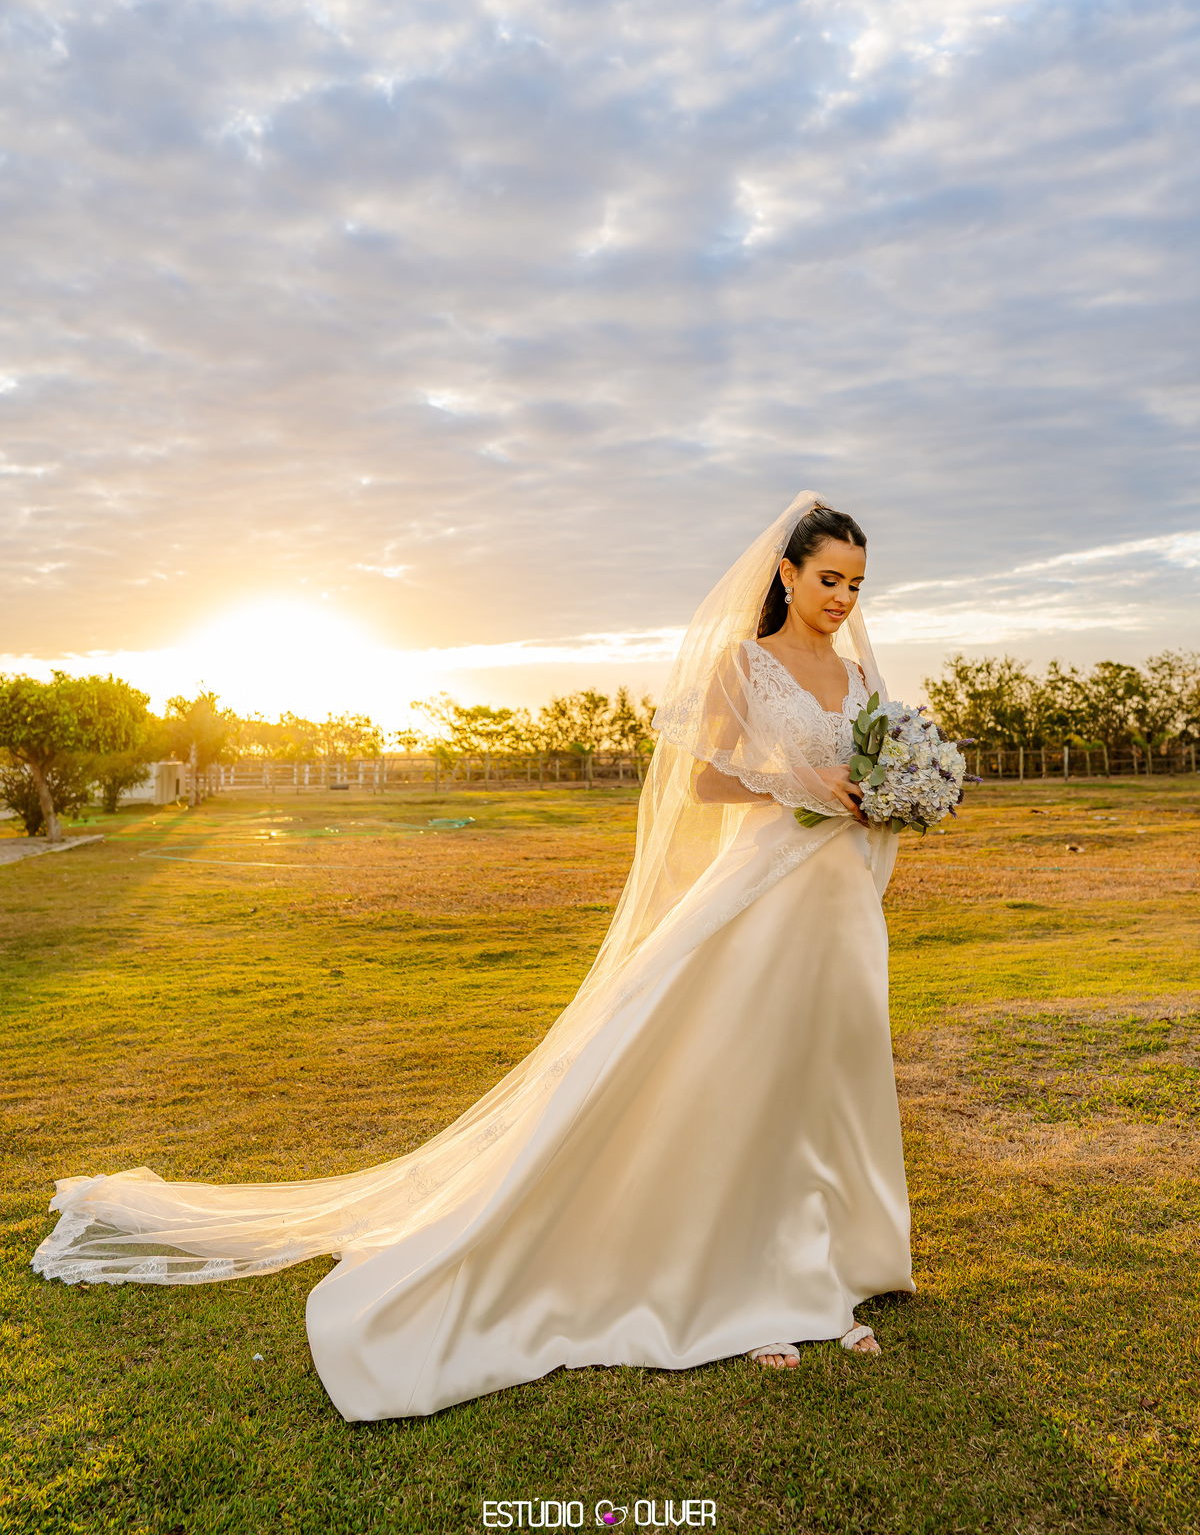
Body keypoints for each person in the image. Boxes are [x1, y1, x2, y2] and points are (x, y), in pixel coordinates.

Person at [33, 489, 913, 1417]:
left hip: (841, 904)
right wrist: (796, 779)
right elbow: (701, 777)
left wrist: (896, 794)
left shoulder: (860, 679)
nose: (844, 598)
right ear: (787, 573)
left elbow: (879, 768)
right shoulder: (748, 663)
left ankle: (834, 1266)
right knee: (746, 1083)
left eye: (856, 584)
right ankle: (750, 1286)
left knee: (828, 1077)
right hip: (761, 900)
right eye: (829, 579)